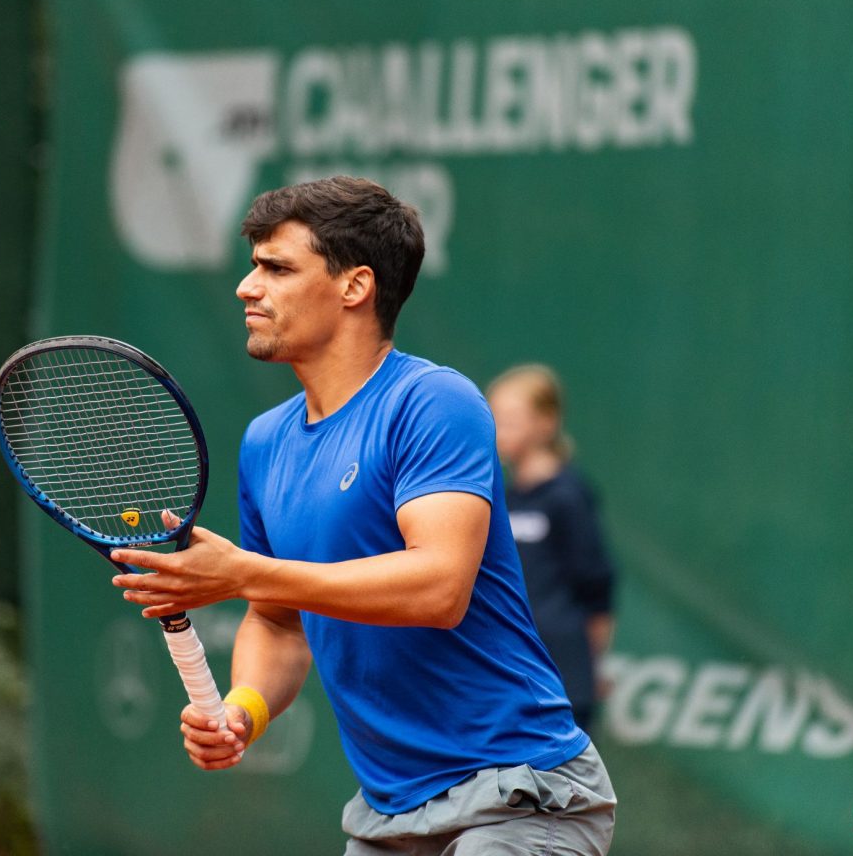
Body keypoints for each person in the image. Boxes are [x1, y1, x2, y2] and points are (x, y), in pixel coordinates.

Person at [108, 176, 616, 855]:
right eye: (253, 265)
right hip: (386, 816)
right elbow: (278, 620)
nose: (246, 287)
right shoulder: (266, 442)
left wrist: (242, 571)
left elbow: (439, 588)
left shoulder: (433, 403)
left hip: (519, 796)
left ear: (355, 287)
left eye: (276, 268)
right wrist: (243, 710)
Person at [487, 365, 618, 731]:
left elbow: (596, 585)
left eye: (511, 418)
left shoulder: (568, 496)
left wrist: (591, 663)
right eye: (493, 416)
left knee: (558, 789)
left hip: (563, 682)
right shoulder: (501, 498)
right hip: (510, 681)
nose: (499, 428)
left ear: (546, 422)